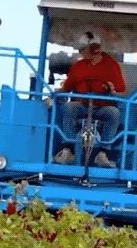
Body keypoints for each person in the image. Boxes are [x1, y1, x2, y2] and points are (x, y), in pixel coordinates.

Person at [53, 32, 125, 167]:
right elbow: (66, 88)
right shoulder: (78, 66)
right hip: (82, 105)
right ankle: (68, 150)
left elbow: (121, 89)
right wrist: (53, 94)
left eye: (82, 49)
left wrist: (112, 89)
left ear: (94, 49)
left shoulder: (111, 65)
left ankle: (103, 153)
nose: (80, 52)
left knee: (114, 113)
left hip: (102, 107)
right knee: (69, 108)